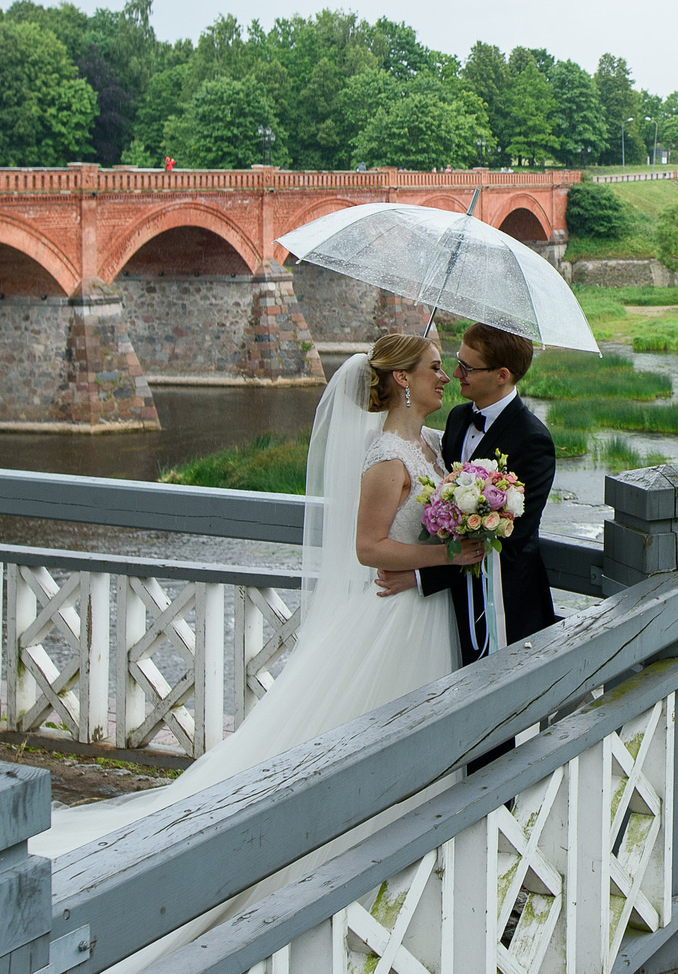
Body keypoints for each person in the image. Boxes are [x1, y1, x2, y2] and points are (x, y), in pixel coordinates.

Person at [27, 332, 483, 963]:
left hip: (427, 617)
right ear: (403, 379)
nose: (447, 378)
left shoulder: (430, 446)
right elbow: (368, 548)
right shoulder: (387, 458)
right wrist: (449, 556)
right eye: (436, 368)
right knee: (363, 740)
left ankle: (414, 882)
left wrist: (467, 528)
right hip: (393, 620)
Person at [409, 322, 560, 662]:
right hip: (451, 603)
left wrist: (421, 576)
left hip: (508, 601)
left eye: (467, 367)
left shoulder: (533, 440)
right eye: (457, 361)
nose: (455, 373)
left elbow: (512, 537)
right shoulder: (459, 418)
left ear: (502, 374)